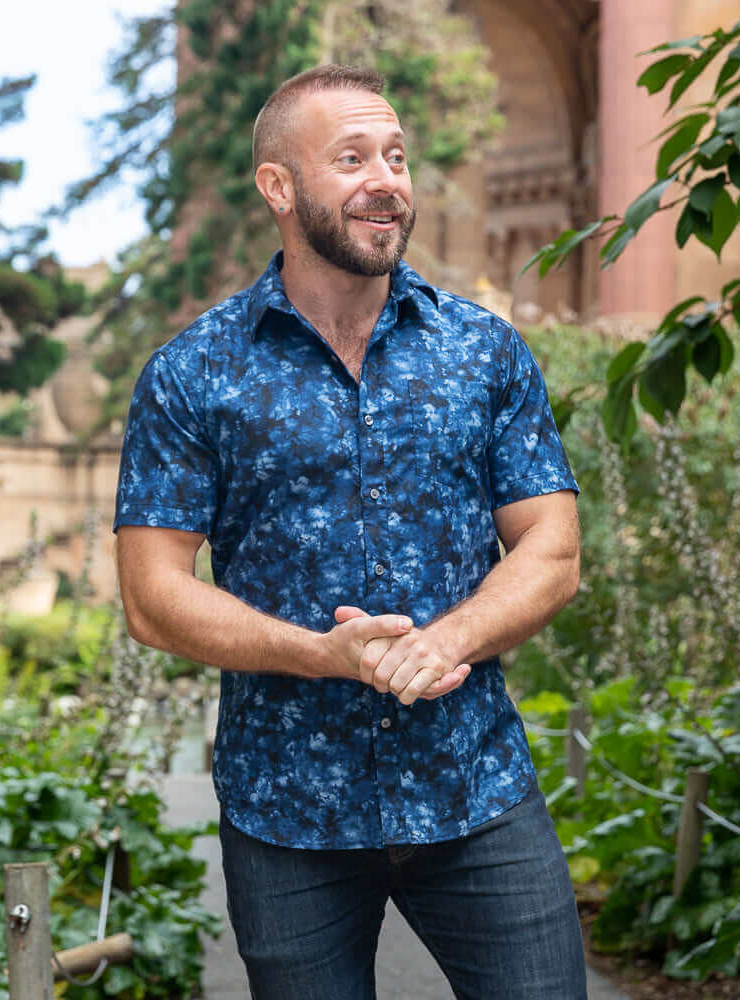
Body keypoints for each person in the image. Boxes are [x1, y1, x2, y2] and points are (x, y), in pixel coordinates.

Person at [114, 64, 586, 1000]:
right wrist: (321, 655)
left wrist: (447, 639)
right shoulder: (193, 374)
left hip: (476, 793)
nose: (389, 179)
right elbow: (152, 596)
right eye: (353, 157)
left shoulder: (482, 352)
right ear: (279, 188)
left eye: (398, 156)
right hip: (287, 815)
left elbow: (554, 547)